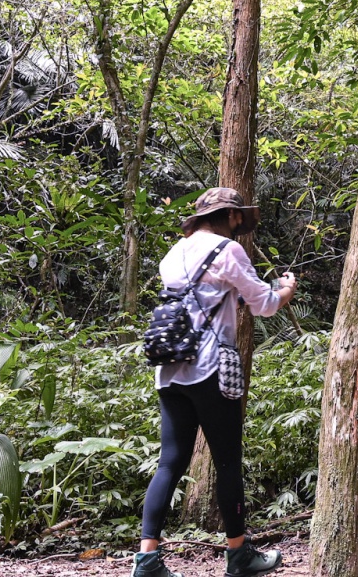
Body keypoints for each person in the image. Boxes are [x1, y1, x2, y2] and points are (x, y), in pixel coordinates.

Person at [135, 187, 299, 577]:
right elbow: (265, 304)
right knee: (227, 462)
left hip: (170, 368)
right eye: (238, 218)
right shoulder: (228, 250)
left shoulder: (174, 253)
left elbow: (199, 300)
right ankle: (238, 555)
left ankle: (146, 560)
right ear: (232, 216)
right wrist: (287, 289)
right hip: (209, 369)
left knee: (170, 463)